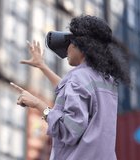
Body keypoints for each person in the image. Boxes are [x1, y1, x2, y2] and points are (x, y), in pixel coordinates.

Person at [11, 15, 130, 160]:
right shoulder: (106, 81)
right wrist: (42, 66)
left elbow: (70, 129)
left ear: (81, 45)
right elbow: (71, 89)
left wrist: (38, 104)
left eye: (70, 43)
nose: (66, 49)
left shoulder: (79, 78)